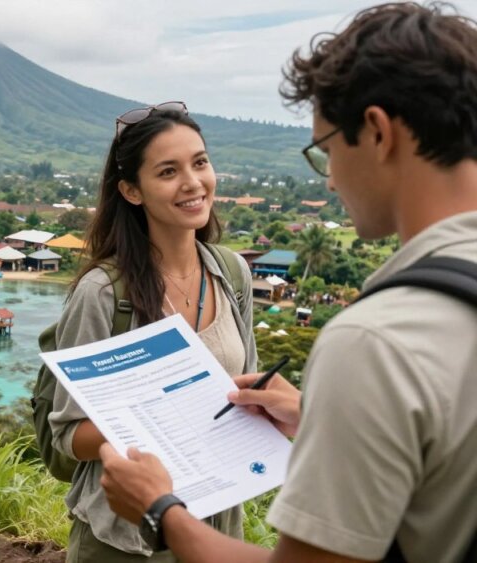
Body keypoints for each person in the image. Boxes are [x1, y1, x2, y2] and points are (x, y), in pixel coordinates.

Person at [98, 3, 477, 562]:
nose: (331, 181)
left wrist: (160, 509)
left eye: (325, 151)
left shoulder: (376, 342)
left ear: (375, 132)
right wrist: (321, 415)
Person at [48, 102, 257, 562]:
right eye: (168, 172)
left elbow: (248, 387)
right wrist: (157, 426)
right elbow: (68, 435)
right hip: (124, 539)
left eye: (199, 162)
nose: (193, 183)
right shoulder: (104, 293)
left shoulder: (233, 275)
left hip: (216, 522)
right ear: (132, 190)